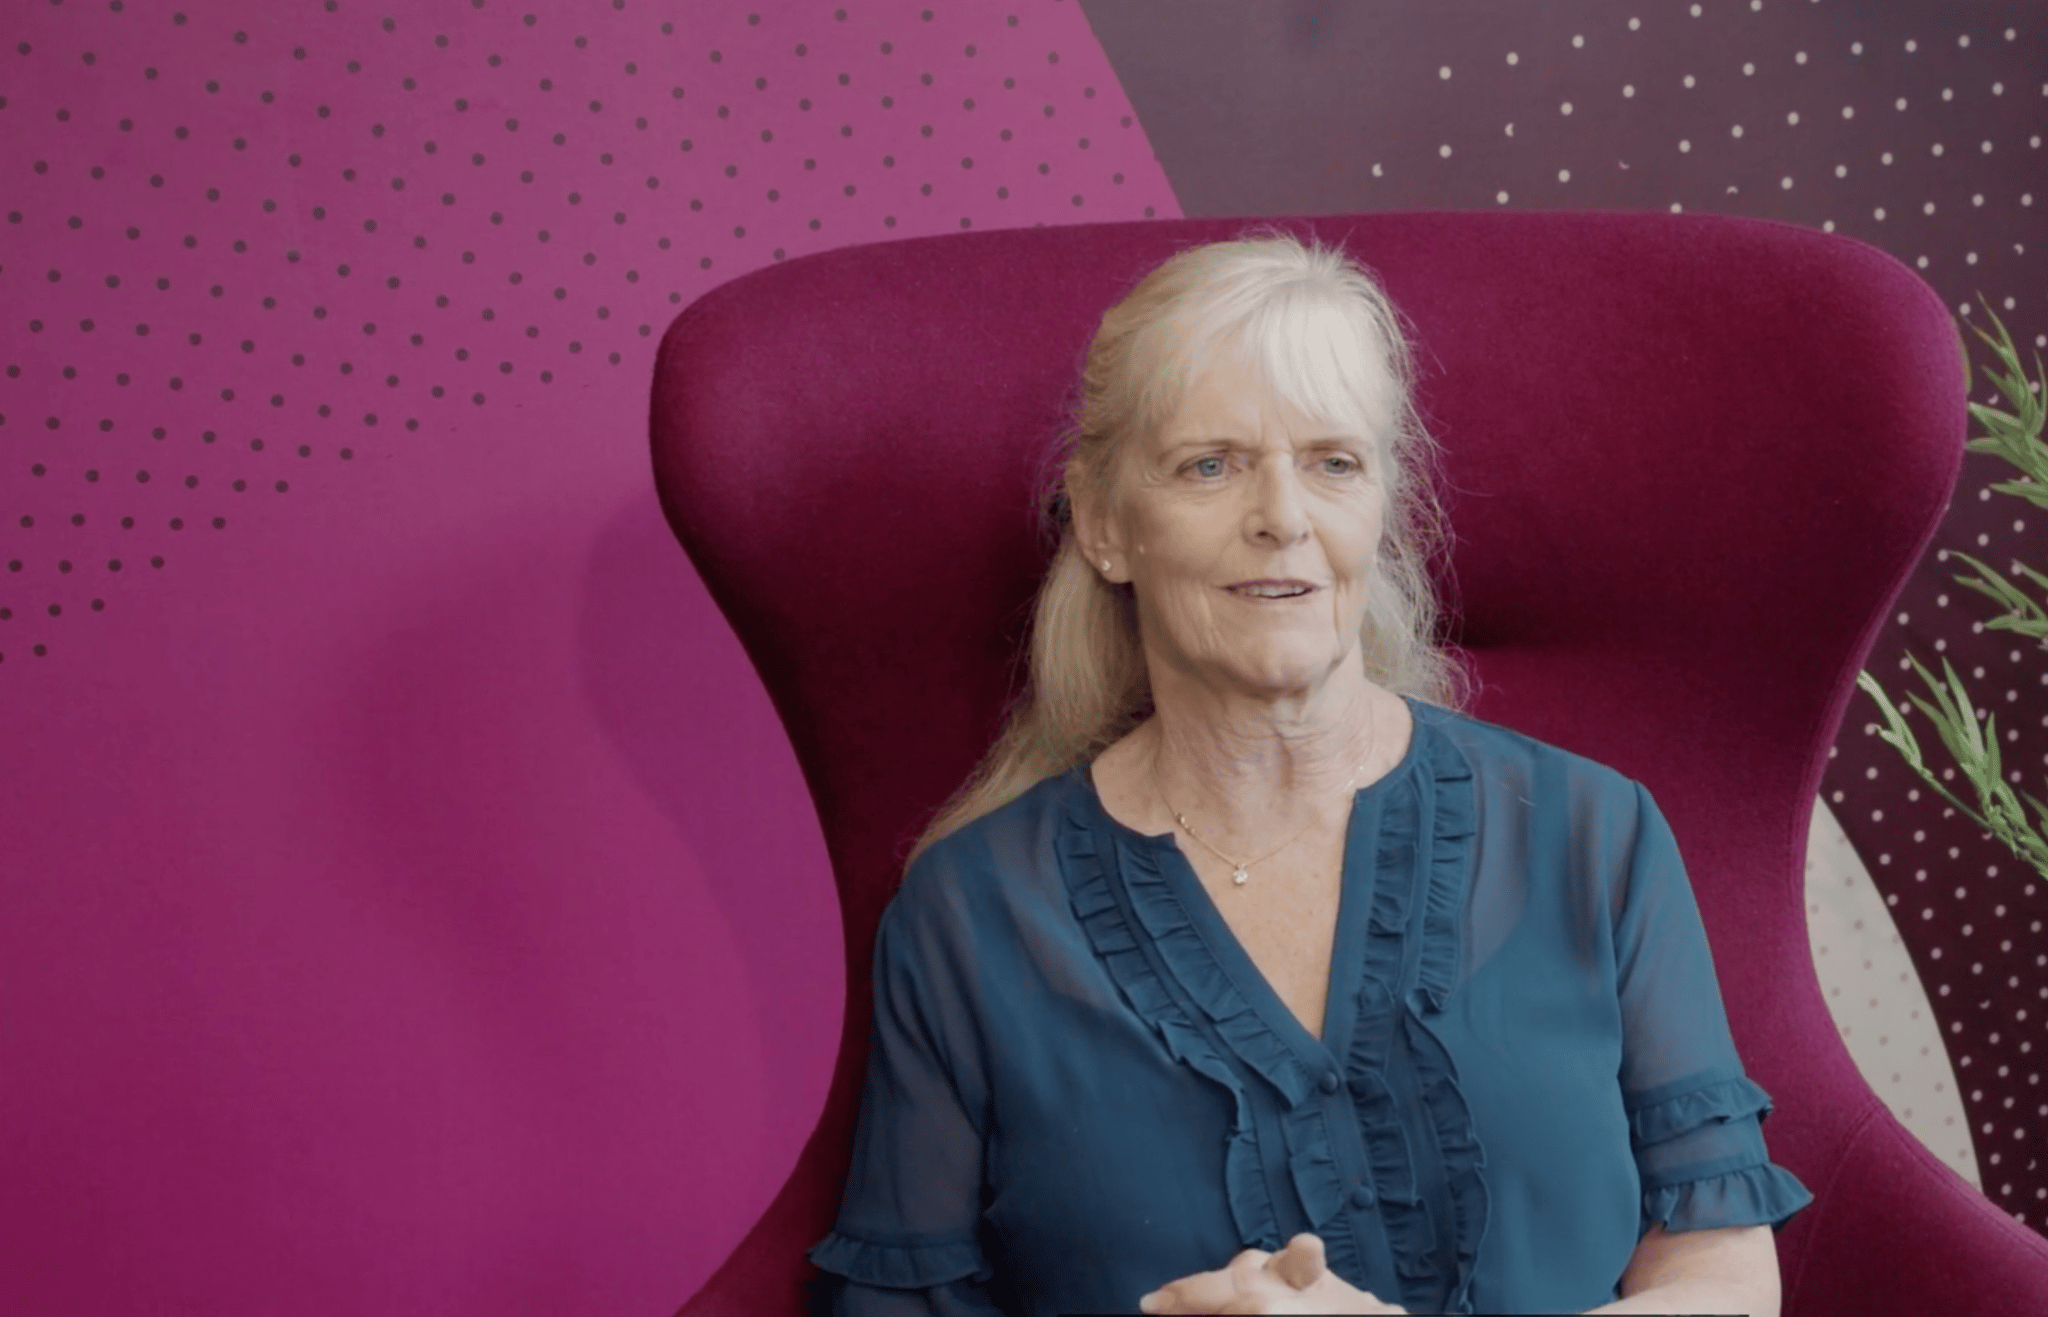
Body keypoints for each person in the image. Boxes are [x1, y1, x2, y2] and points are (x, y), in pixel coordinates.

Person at [807, 233, 1813, 1315]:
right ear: (1103, 524)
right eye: (1210, 465)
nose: (1281, 519)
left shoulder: (1592, 836)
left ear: (1380, 504)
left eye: (1331, 463)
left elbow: (1719, 1274)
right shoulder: (966, 920)